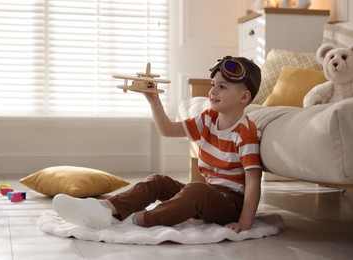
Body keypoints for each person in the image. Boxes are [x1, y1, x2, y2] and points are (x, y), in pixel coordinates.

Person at [53, 56, 262, 233]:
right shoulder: (208, 118)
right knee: (158, 180)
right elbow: (168, 130)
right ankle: (106, 209)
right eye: (213, 85)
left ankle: (141, 220)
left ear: (244, 97)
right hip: (208, 193)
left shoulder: (245, 133)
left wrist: (244, 222)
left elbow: (253, 181)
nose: (213, 91)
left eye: (222, 87)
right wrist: (154, 101)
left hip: (230, 204)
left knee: (196, 190)